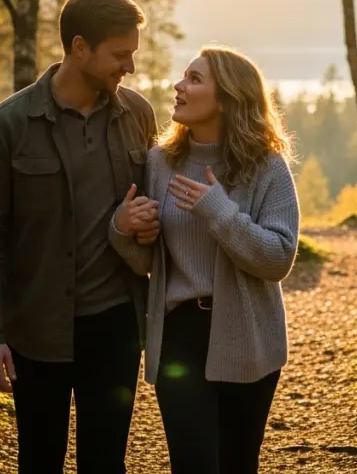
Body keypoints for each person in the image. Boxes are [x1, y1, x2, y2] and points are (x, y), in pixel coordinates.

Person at [0, 0, 158, 473]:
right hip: (36, 328)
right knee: (39, 460)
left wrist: (143, 226)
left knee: (105, 463)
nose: (130, 67)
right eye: (120, 55)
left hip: (115, 325)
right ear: (79, 47)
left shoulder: (138, 115)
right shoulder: (8, 124)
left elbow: (159, 208)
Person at [110, 46, 300, 474]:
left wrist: (219, 212)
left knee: (237, 463)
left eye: (194, 79)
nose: (178, 86)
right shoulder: (160, 163)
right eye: (184, 76)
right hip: (179, 336)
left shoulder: (267, 167)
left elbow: (278, 258)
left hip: (248, 333)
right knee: (192, 463)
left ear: (228, 98)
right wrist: (123, 229)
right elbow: (147, 261)